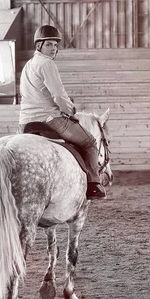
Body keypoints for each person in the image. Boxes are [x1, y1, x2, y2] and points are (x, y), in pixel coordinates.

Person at [18, 25, 107, 200]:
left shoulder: (29, 65)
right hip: (49, 119)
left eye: (55, 45)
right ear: (39, 46)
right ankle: (93, 185)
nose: (53, 49)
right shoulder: (47, 64)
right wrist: (70, 110)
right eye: (49, 44)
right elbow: (58, 95)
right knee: (89, 142)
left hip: (25, 122)